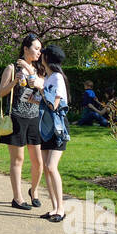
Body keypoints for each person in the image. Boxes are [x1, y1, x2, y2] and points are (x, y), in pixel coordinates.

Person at [0, 33, 45, 210]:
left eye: (40, 49)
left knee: (38, 161)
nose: (39, 52)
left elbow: (42, 91)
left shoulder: (39, 70)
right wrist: (15, 81)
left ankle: (34, 191)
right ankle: (17, 198)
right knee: (18, 159)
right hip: (17, 118)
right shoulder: (11, 68)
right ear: (26, 49)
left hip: (34, 118)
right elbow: (1, 92)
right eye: (36, 48)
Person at [33, 44, 71, 222]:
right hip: (47, 128)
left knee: (50, 167)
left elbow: (54, 105)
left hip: (57, 128)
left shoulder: (56, 78)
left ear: (47, 58)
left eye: (43, 54)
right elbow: (44, 101)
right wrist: (35, 97)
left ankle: (61, 209)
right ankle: (54, 208)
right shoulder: (49, 77)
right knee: (48, 169)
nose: (40, 56)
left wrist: (40, 88)